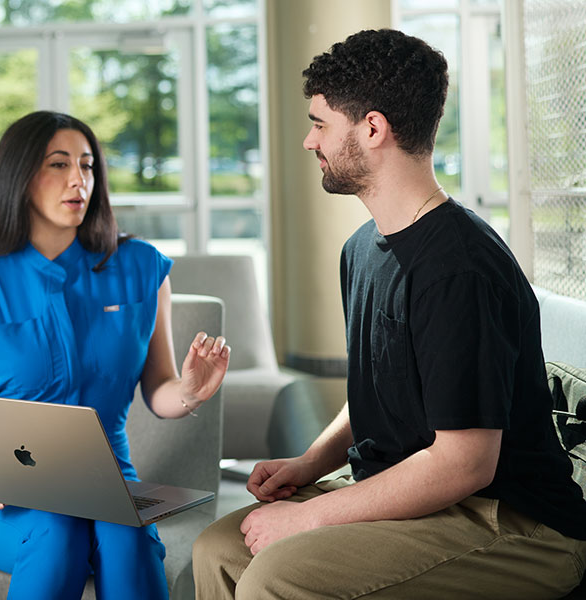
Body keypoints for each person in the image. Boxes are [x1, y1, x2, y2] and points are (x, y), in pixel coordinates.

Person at [192, 28, 586, 599]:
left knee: (278, 574)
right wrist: (310, 462)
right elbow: (386, 388)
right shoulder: (362, 248)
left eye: (320, 123)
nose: (308, 141)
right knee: (217, 549)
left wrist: (310, 517)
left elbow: (465, 464)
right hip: (415, 492)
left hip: (513, 521)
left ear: (372, 129)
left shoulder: (459, 269)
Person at [0, 110, 230, 600]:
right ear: (20, 176)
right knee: (58, 529)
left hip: (109, 480)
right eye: (58, 164)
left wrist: (191, 390)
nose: (79, 179)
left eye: (88, 165)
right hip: (12, 494)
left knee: (126, 534)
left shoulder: (142, 269)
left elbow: (159, 389)